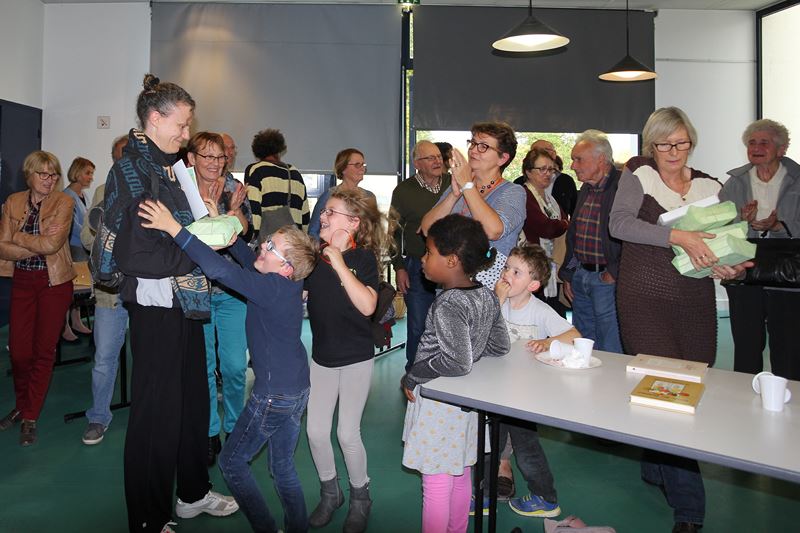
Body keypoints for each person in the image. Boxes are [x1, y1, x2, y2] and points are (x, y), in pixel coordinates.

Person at [102, 74, 237, 533]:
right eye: (181, 126)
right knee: (155, 415)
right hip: (157, 305)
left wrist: (205, 231)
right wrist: (194, 247)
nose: (186, 135)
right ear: (155, 119)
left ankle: (192, 494)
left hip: (186, 302)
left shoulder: (168, 168)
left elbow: (182, 231)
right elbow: (137, 253)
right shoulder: (132, 169)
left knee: (192, 406)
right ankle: (147, 515)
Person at [138, 197, 317, 533]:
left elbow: (219, 271)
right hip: (297, 389)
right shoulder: (287, 283)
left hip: (273, 396)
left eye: (270, 248)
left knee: (232, 464)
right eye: (266, 242)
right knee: (283, 468)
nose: (262, 248)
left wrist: (174, 228)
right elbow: (251, 262)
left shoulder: (269, 287)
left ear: (286, 267)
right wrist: (229, 234)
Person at [609, 107, 749, 533]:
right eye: (665, 144)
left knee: (691, 385)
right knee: (673, 394)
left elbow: (723, 241)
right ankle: (690, 511)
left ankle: (656, 465)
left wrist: (726, 266)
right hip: (644, 296)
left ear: (692, 142)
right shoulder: (640, 178)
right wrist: (679, 235)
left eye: (682, 143)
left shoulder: (710, 185)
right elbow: (620, 225)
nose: (673, 151)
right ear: (652, 145)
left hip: (694, 298)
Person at [401, 214, 510, 533]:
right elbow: (500, 345)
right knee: (462, 474)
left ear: (451, 261)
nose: (423, 259)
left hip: (439, 407)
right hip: (466, 406)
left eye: (429, 252)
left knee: (436, 483)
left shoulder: (449, 303)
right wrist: (474, 349)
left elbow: (458, 362)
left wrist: (413, 374)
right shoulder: (485, 295)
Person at [304, 187, 391, 532]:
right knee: (314, 431)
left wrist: (339, 261)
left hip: (355, 357)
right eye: (324, 211)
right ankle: (330, 492)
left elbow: (368, 306)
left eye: (331, 212)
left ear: (353, 223)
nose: (322, 217)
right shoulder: (314, 255)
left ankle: (360, 496)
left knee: (347, 433)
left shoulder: (363, 259)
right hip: (323, 357)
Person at [493, 244, 579, 519]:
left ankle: (545, 497)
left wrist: (547, 341)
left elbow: (574, 335)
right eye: (507, 268)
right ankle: (486, 491)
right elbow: (480, 328)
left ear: (533, 285)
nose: (507, 274)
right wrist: (497, 301)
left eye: (517, 272)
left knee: (526, 447)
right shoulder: (496, 300)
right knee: (489, 441)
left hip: (525, 394)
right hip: (494, 388)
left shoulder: (540, 312)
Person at [0, 151, 75, 447]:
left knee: (43, 351)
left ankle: (29, 415)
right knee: (19, 351)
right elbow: (2, 248)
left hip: (53, 283)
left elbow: (53, 244)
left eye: (54, 174)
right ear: (29, 175)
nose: (49, 180)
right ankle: (23, 403)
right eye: (43, 174)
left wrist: (17, 237)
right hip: (22, 282)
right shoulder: (13, 202)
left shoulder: (64, 202)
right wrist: (36, 242)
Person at [186, 131, 252, 466]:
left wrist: (229, 213)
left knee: (236, 366)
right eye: (207, 156)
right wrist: (227, 218)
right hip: (194, 290)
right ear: (192, 159)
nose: (214, 163)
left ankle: (235, 429)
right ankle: (210, 432)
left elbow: (241, 231)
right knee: (204, 368)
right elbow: (190, 237)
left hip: (231, 291)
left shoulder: (235, 190)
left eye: (219, 157)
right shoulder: (181, 192)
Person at [720, 119, 800, 379]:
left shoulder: (797, 181)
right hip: (743, 270)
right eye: (751, 143)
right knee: (746, 347)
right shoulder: (734, 182)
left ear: (781, 148)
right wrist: (741, 221)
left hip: (788, 274)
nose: (756, 147)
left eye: (764, 142)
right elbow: (719, 228)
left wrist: (779, 226)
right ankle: (744, 408)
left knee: (788, 349)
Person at [421, 122, 526, 289]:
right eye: (473, 143)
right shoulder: (458, 186)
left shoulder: (514, 192)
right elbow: (427, 229)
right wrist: (454, 195)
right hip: (451, 286)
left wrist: (468, 186)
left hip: (489, 292)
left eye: (483, 146)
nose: (474, 150)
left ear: (503, 158)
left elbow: (493, 231)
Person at [80, 135, 129, 445]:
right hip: (110, 293)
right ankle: (98, 417)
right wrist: (111, 245)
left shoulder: (156, 191)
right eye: (122, 156)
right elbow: (87, 237)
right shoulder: (101, 191)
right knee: (104, 359)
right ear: (114, 159)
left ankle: (154, 416)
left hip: (147, 291)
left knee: (155, 359)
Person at [559, 130, 624, 354]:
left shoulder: (623, 188)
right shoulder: (586, 189)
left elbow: (631, 236)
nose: (573, 166)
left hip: (606, 278)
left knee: (610, 342)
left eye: (579, 159)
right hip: (582, 276)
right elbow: (574, 234)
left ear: (601, 159)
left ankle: (611, 388)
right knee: (583, 340)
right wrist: (569, 275)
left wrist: (613, 272)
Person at [390, 140, 446, 371]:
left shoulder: (455, 184)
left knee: (448, 326)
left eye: (439, 157)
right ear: (416, 164)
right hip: (417, 267)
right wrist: (399, 266)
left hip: (452, 268)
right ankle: (414, 376)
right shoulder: (404, 191)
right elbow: (392, 232)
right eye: (430, 158)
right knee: (418, 326)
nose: (437, 161)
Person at [519, 147, 569, 316]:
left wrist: (560, 224)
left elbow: (560, 222)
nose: (547, 173)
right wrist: (562, 224)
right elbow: (545, 227)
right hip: (531, 267)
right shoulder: (523, 194)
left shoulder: (550, 199)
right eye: (542, 169)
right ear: (528, 171)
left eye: (551, 169)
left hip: (552, 265)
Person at [245, 128, 310, 239]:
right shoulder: (294, 172)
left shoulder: (256, 170)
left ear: (257, 150)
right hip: (294, 242)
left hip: (270, 241)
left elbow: (253, 209)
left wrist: (252, 237)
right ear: (279, 149)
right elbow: (305, 215)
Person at [61, 156, 96, 341]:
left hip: (83, 246)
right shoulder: (67, 195)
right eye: (87, 173)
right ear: (77, 173)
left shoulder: (84, 195)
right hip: (74, 246)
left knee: (81, 286)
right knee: (71, 288)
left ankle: (77, 321)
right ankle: (65, 326)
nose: (90, 177)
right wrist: (88, 236)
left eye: (91, 173)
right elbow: (72, 226)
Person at [308, 148, 376, 239]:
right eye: (357, 165)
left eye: (363, 165)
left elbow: (374, 230)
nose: (362, 169)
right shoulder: (329, 196)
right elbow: (313, 231)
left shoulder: (369, 197)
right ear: (343, 168)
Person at [514, 139, 577, 217]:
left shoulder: (566, 181)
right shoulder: (519, 185)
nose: (547, 173)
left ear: (554, 154)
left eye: (545, 151)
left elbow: (574, 212)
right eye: (534, 152)